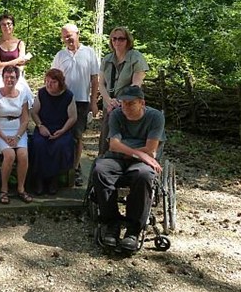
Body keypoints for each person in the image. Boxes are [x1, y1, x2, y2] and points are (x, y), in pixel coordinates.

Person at [92, 85, 164, 251]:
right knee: (100, 170)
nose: (125, 107)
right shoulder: (117, 114)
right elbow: (114, 145)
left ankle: (133, 229)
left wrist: (136, 155)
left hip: (140, 163)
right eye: (123, 103)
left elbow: (151, 148)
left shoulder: (155, 117)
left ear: (142, 103)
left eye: (131, 104)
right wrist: (141, 154)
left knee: (144, 175)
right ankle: (112, 223)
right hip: (117, 158)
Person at [51, 23, 99, 186]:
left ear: (78, 34)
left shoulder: (89, 53)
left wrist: (94, 102)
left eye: (70, 35)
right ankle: (61, 167)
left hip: (82, 101)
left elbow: (94, 79)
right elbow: (53, 78)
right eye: (65, 36)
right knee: (61, 133)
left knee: (77, 136)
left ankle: (75, 168)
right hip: (62, 100)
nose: (68, 38)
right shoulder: (60, 55)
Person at [98, 26, 149, 155]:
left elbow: (136, 84)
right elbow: (101, 84)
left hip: (129, 107)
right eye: (114, 39)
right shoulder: (107, 59)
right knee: (105, 142)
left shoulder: (136, 57)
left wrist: (121, 102)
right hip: (109, 107)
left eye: (121, 39)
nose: (117, 42)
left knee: (125, 142)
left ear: (128, 40)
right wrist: (109, 101)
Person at [0, 65, 32, 204]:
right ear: (2, 78)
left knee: (23, 155)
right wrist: (5, 137)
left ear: (17, 79)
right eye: (7, 77)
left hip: (17, 130)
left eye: (12, 77)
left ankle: (21, 188)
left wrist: (18, 136)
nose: (9, 80)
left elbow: (25, 120)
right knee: (10, 154)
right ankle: (4, 189)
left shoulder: (23, 95)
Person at [30, 68, 77, 195]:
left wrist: (62, 131)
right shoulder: (41, 93)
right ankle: (39, 179)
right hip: (44, 127)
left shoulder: (68, 95)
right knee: (39, 144)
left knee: (60, 145)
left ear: (60, 83)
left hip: (61, 128)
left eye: (53, 82)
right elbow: (34, 112)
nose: (49, 84)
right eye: (47, 81)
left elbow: (73, 117)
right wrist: (40, 126)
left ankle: (53, 180)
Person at [0, 14, 34, 107]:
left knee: (23, 93)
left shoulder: (20, 43)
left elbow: (21, 64)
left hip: (16, 75)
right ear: (0, 27)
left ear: (13, 25)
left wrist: (11, 64)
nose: (6, 26)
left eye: (9, 24)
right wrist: (16, 60)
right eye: (3, 24)